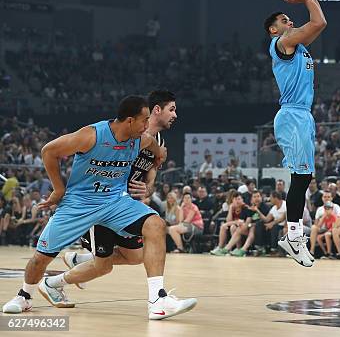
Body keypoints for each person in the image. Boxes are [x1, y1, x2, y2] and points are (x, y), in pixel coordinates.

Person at [2, 96, 196, 319]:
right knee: (41, 257)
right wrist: (58, 189)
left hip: (114, 202)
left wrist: (157, 160)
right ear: (130, 121)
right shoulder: (92, 135)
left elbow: (154, 150)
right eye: (144, 121)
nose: (146, 126)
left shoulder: (141, 140)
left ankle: (158, 300)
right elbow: (49, 151)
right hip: (80, 203)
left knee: (156, 224)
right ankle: (24, 296)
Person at [60, 90, 177, 287]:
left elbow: (152, 172)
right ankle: (50, 284)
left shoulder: (160, 143)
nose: (175, 115)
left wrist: (147, 188)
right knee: (104, 265)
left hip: (126, 206)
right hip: (103, 201)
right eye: (172, 109)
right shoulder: (129, 134)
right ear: (157, 110)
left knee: (136, 256)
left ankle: (78, 261)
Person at [264, 0, 326, 267]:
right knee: (301, 178)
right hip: (291, 114)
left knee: (304, 178)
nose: (288, 19)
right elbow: (318, 20)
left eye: (289, 17)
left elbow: (319, 23)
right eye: (282, 19)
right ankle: (293, 236)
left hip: (302, 115)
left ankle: (293, 236)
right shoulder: (282, 43)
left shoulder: (299, 46)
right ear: (273, 30)